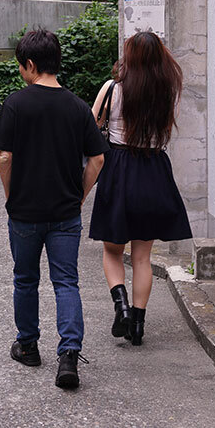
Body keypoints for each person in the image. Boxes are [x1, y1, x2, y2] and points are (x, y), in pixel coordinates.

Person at [0, 29, 108, 389]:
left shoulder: (16, 104)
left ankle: (28, 346)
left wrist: (11, 195)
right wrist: (80, 195)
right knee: (66, 282)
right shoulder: (77, 106)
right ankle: (69, 354)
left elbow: (5, 157)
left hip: (24, 212)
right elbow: (98, 159)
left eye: (20, 66)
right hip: (65, 214)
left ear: (30, 64)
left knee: (25, 279)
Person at [89, 31, 193, 346]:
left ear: (130, 57)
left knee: (112, 250)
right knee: (142, 257)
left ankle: (120, 304)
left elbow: (91, 129)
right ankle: (137, 326)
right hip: (153, 170)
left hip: (118, 170)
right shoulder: (167, 93)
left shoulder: (112, 89)